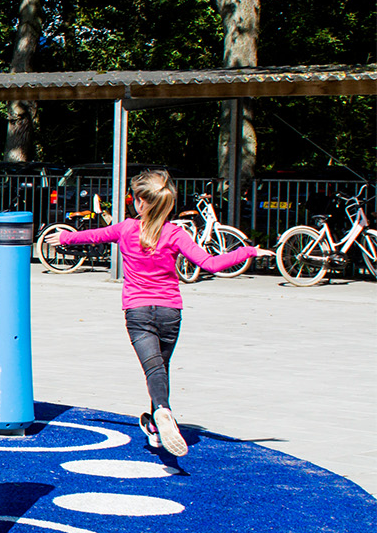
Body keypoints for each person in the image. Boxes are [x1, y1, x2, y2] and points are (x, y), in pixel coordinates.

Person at [53, 169, 263, 456]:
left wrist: (64, 238)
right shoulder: (176, 233)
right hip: (169, 312)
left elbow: (93, 235)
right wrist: (248, 252)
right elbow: (211, 264)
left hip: (138, 311)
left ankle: (162, 411)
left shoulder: (126, 229)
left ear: (140, 202)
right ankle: (155, 424)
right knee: (159, 369)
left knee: (154, 369)